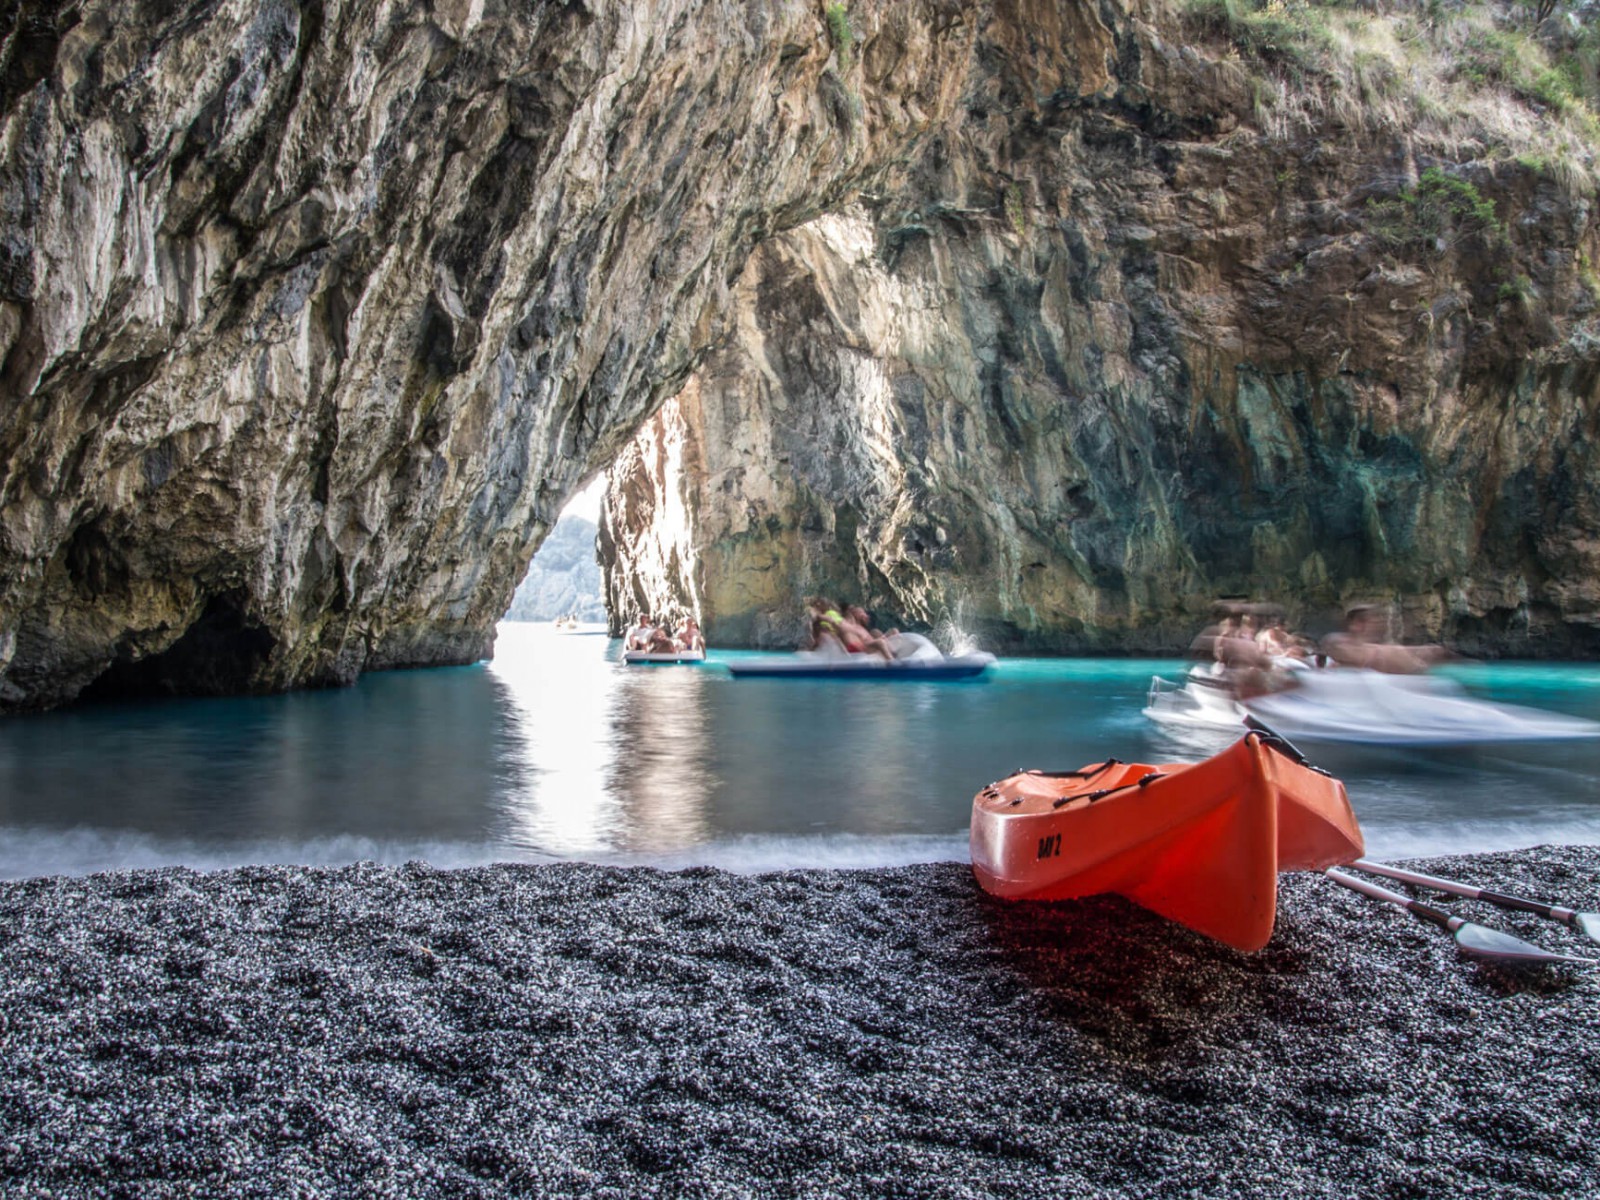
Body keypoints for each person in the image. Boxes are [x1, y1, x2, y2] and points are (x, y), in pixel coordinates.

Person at [1322, 605, 1450, 674]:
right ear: (1355, 623)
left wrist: (1425, 650)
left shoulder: (1379, 649)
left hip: (1415, 675)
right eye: (1371, 620)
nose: (1377, 624)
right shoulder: (1337, 642)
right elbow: (1339, 649)